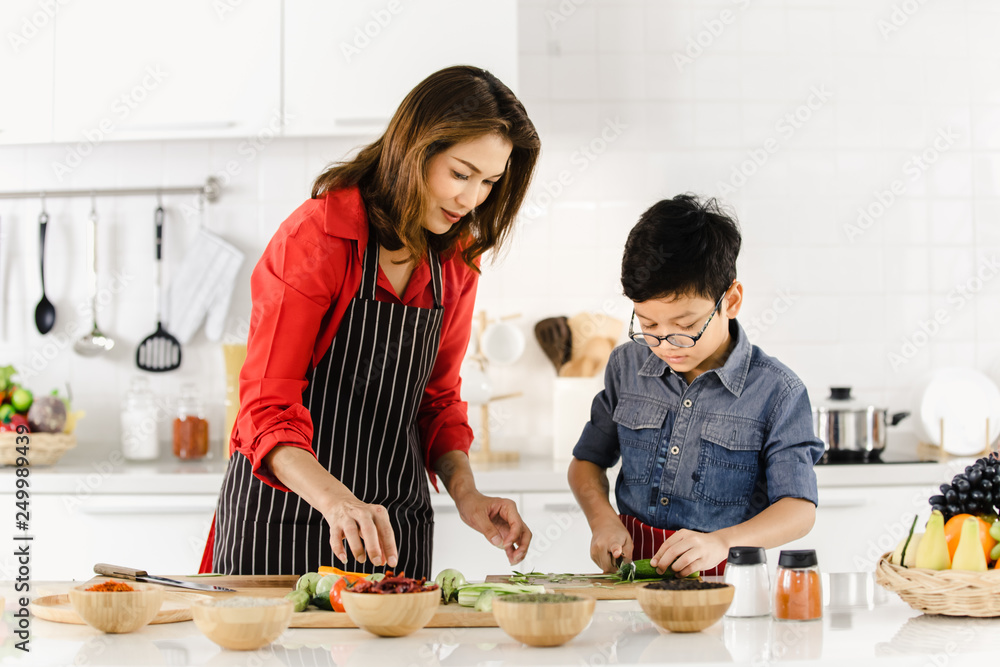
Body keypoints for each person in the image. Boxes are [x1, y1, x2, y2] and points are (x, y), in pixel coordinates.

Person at [200, 66, 540, 578]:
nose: (471, 200)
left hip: (392, 531)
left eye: (489, 182)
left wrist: (467, 495)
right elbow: (267, 410)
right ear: (415, 149)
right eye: (460, 174)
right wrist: (338, 502)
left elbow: (437, 404)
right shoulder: (316, 239)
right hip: (284, 520)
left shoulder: (455, 261)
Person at [568, 194, 823, 577]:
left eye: (685, 325)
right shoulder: (626, 366)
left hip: (727, 583)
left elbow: (799, 509)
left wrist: (721, 542)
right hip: (631, 579)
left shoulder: (778, 391)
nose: (665, 343)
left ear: (731, 300)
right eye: (649, 325)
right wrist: (602, 520)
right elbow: (586, 462)